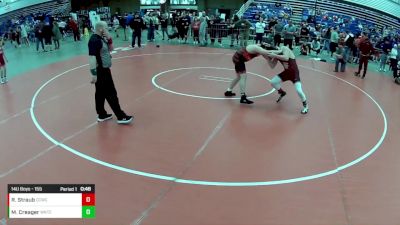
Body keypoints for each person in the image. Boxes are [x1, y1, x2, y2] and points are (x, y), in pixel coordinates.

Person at [88, 21, 133, 124]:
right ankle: (121, 116)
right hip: (101, 71)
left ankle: (102, 115)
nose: (108, 29)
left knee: (100, 93)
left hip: (105, 69)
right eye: (106, 28)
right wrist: (94, 73)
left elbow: (111, 49)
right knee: (111, 93)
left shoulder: (101, 38)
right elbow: (92, 57)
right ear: (100, 29)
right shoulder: (94, 40)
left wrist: (109, 38)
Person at [265, 46, 309, 114]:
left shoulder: (284, 48)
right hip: (286, 73)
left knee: (299, 90)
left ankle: (306, 106)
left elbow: (286, 57)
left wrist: (274, 55)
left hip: (294, 73)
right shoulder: (276, 55)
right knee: (273, 82)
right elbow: (272, 66)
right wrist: (267, 58)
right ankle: (282, 92)